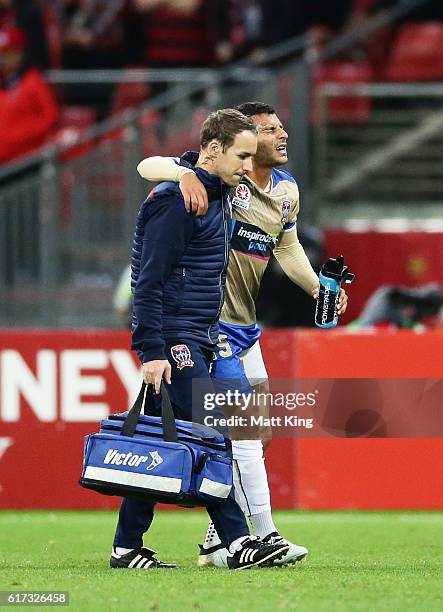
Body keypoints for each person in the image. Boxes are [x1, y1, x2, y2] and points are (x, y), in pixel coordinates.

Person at [137, 101, 349, 567]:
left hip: (245, 327)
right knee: (242, 436)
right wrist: (181, 175)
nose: (282, 135)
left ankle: (215, 538)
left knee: (259, 434)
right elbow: (147, 165)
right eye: (269, 130)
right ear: (246, 145)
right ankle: (262, 536)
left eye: (281, 126)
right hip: (214, 330)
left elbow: (287, 247)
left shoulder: (287, 190)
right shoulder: (218, 178)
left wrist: (318, 289)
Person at [110, 108, 290, 570]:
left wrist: (186, 171)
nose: (249, 167)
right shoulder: (177, 200)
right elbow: (148, 280)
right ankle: (235, 542)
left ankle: (126, 546)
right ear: (214, 151)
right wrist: (151, 350)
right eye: (242, 156)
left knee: (160, 442)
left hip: (197, 337)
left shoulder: (217, 191)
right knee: (212, 436)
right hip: (175, 340)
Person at [0, 26, 59, 164]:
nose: (2, 60)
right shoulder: (3, 85)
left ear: (19, 53)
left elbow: (50, 117)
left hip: (27, 160)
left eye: (7, 54)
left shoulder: (32, 80)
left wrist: (17, 135)